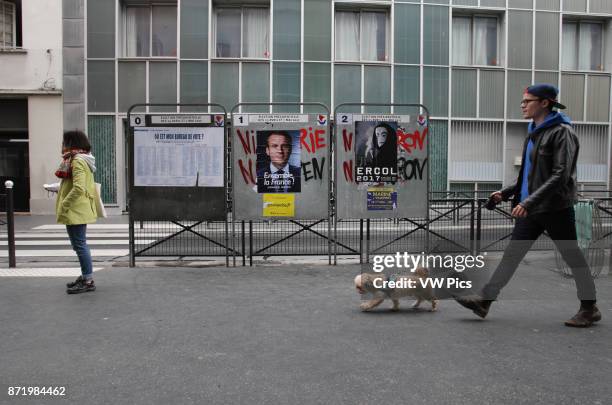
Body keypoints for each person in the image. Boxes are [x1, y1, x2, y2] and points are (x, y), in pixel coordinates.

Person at [455, 84, 600, 327]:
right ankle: (485, 300)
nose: (522, 105)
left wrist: (529, 202)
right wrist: (506, 191)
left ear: (544, 103)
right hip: (531, 209)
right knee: (512, 256)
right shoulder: (535, 131)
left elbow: (561, 174)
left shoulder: (561, 132)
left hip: (554, 208)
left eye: (527, 101)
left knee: (572, 257)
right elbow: (528, 175)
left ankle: (589, 307)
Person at [55, 130, 99, 294]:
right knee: (78, 245)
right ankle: (85, 276)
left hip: (75, 209)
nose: (62, 145)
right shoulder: (77, 159)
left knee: (80, 245)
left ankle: (88, 280)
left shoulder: (78, 161)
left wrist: (65, 204)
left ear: (71, 143)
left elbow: (79, 187)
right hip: (76, 208)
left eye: (64, 142)